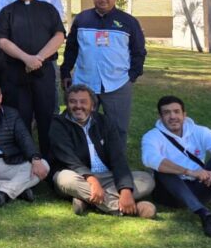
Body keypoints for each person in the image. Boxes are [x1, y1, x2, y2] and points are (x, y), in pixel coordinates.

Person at [141, 96, 211, 239]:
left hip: (200, 187)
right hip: (171, 193)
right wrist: (189, 172)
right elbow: (149, 159)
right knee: (161, 168)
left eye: (176, 112)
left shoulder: (200, 131)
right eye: (167, 113)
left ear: (184, 114)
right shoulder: (151, 136)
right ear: (160, 116)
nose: (173, 116)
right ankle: (204, 215)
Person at [50, 84, 156, 218]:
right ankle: (128, 209)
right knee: (65, 179)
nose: (78, 106)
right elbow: (68, 159)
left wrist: (125, 190)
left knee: (146, 179)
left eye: (83, 102)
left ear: (93, 106)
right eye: (72, 102)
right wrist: (92, 180)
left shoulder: (104, 122)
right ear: (67, 104)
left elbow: (118, 157)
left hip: (108, 177)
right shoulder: (58, 124)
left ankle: (86, 200)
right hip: (78, 177)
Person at [61, 0, 147, 142]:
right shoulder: (82, 19)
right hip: (85, 82)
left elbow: (139, 51)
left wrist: (132, 75)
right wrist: (66, 71)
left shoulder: (128, 22)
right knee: (80, 126)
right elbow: (71, 48)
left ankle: (116, 163)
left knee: (117, 129)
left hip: (118, 83)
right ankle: (82, 163)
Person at [0, 0, 66, 158]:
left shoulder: (48, 10)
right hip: (16, 73)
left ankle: (49, 159)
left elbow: (59, 35)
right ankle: (25, 157)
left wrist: (38, 58)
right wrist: (26, 59)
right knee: (20, 116)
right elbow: (2, 41)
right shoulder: (7, 12)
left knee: (46, 116)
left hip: (44, 72)